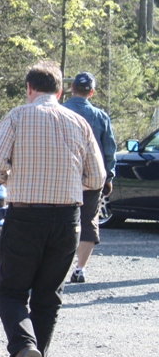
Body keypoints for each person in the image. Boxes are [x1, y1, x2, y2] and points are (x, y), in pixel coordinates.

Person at [0, 60, 105, 357]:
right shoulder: (79, 122)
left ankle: (23, 347)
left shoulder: (17, 117)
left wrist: (9, 177)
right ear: (61, 91)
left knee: (11, 293)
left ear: (29, 89)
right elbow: (97, 177)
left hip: (25, 216)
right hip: (67, 219)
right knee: (48, 299)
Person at [62, 72, 117, 284]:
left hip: (62, 177)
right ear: (91, 92)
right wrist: (109, 177)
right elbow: (109, 151)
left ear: (71, 88)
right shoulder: (100, 116)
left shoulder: (58, 111)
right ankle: (80, 269)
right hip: (91, 179)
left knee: (61, 221)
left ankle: (58, 268)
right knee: (88, 221)